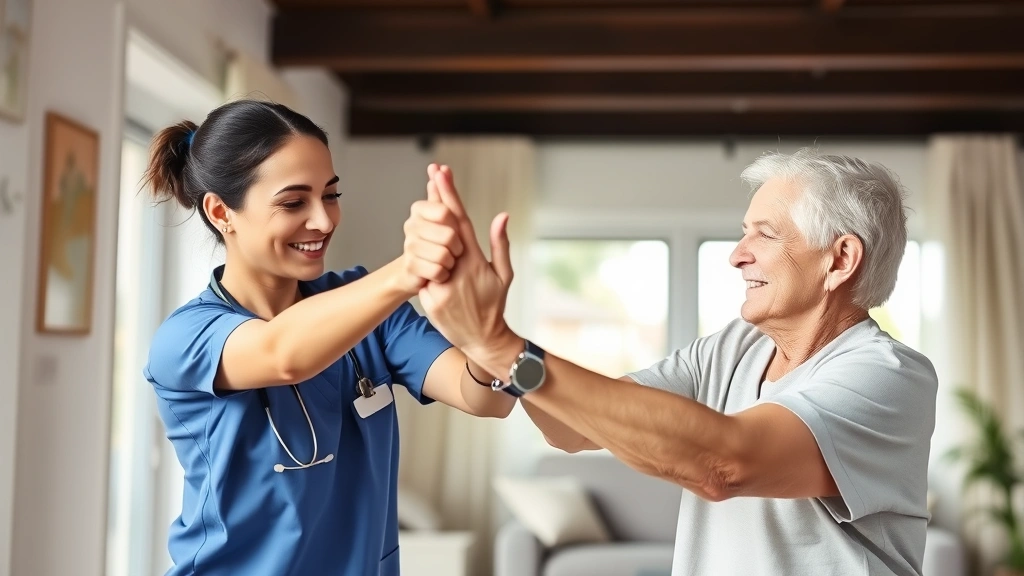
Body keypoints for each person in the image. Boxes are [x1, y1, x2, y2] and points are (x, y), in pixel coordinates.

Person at [418, 151, 938, 576]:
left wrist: (505, 346)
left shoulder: (888, 376)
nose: (737, 254)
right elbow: (569, 429)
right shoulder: (733, 348)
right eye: (743, 231)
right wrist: (490, 346)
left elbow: (722, 464)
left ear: (840, 259)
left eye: (766, 234)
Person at [141, 99, 515, 576]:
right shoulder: (186, 337)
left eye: (331, 195)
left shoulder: (368, 308)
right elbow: (283, 354)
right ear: (221, 212)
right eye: (294, 202)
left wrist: (483, 332)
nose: (323, 220)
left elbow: (486, 400)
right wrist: (410, 269)